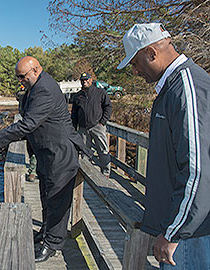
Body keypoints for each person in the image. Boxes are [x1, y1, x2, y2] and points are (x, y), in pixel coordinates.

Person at [0, 56, 91, 263]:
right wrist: (0, 134)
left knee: (57, 199)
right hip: (45, 152)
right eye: (18, 77)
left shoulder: (44, 89)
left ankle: (52, 244)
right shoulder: (33, 87)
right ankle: (46, 232)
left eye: (23, 76)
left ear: (36, 70)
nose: (20, 81)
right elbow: (26, 121)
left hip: (61, 151)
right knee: (47, 195)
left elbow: (28, 124)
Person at [118, 22, 210, 269]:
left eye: (135, 63)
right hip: (183, 229)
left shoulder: (186, 89)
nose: (135, 71)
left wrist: (172, 232)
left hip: (190, 234)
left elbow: (197, 169)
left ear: (151, 53)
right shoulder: (173, 88)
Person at [71, 72, 112, 177]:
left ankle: (106, 172)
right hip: (83, 128)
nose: (84, 82)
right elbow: (74, 113)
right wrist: (74, 128)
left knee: (103, 150)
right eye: (82, 80)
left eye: (86, 79)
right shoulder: (78, 96)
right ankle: (87, 173)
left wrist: (103, 122)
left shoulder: (100, 92)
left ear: (91, 80)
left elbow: (108, 107)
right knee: (84, 152)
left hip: (97, 126)